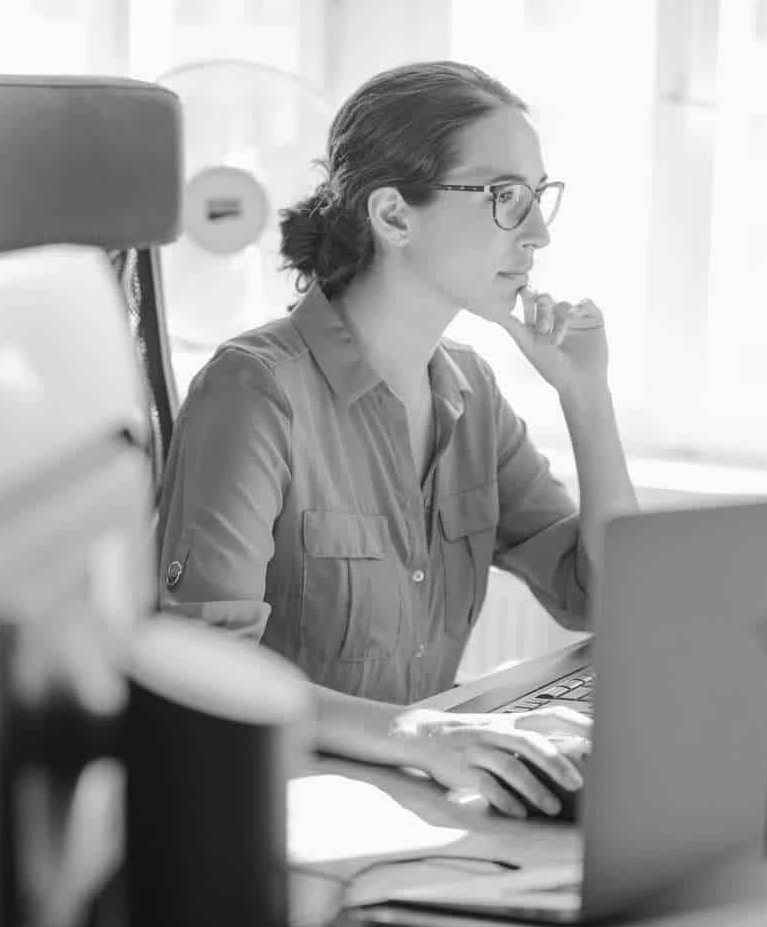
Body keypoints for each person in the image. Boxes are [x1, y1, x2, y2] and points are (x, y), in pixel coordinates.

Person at [156, 60, 638, 818]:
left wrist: (587, 397)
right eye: (505, 197)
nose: (539, 233)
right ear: (393, 216)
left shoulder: (472, 392)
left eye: (538, 196)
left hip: (413, 799)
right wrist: (418, 732)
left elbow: (604, 601)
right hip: (273, 810)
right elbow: (208, 675)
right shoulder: (253, 392)